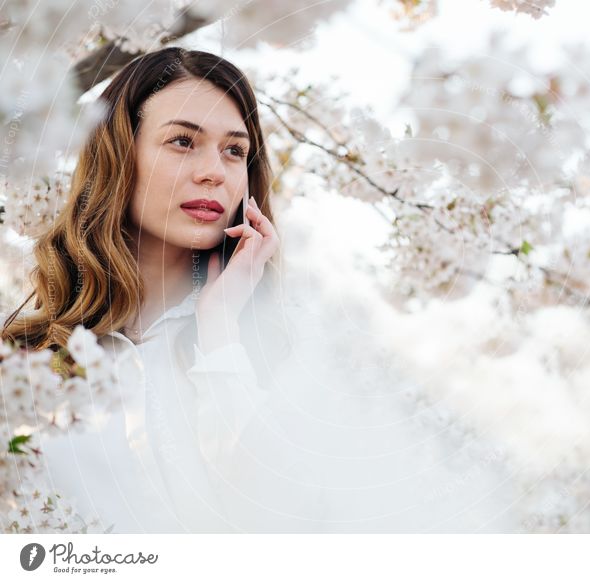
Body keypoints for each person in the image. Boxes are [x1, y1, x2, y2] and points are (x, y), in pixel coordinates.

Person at [1, 47, 528, 533]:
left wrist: (222, 331)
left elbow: (299, 515)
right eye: (183, 141)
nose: (214, 172)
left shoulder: (294, 347)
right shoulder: (23, 366)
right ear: (118, 154)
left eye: (235, 151)